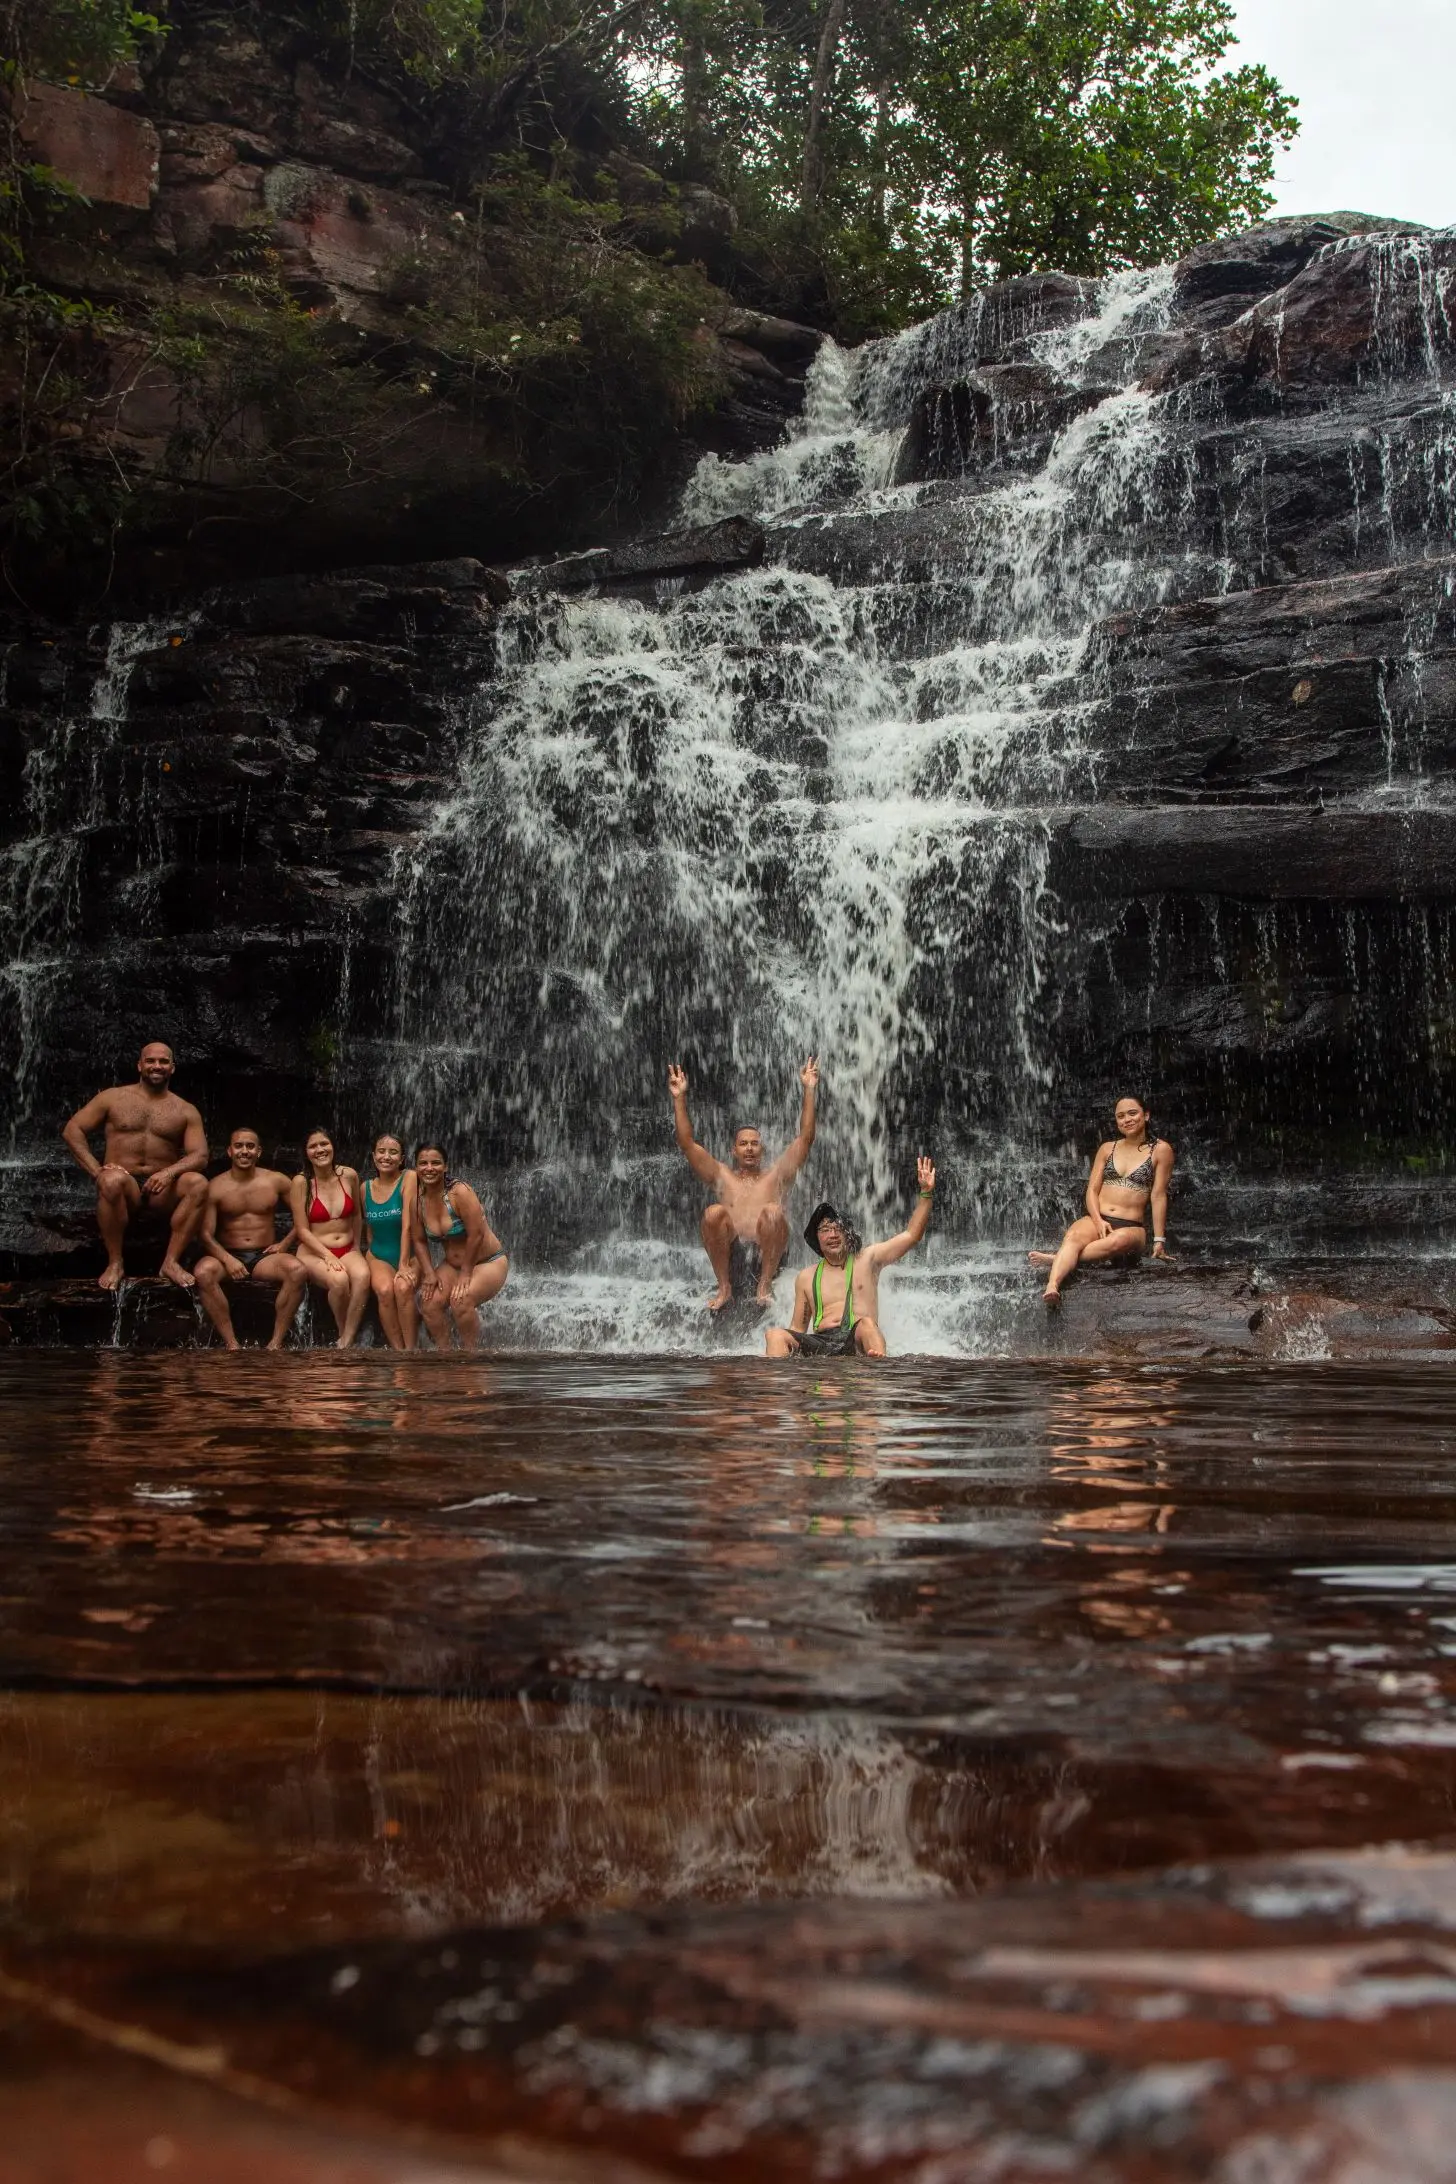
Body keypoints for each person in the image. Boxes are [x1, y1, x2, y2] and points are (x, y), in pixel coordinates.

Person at [668, 1057, 819, 1311]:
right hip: (732, 1254)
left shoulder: (776, 1175)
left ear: (762, 1149)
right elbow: (687, 1143)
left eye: (754, 1143)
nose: (749, 1148)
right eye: (743, 1143)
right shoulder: (721, 1174)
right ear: (734, 1150)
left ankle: (765, 1284)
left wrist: (809, 1089)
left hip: (770, 1252)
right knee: (713, 1212)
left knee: (772, 1212)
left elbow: (805, 1139)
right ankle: (724, 1286)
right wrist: (679, 1098)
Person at [61, 1041, 210, 1291]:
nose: (157, 1066)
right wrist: (97, 1171)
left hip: (161, 1189)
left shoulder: (185, 1110)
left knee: (198, 1183)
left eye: (164, 1061)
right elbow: (72, 1130)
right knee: (111, 1180)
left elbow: (201, 1156)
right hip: (124, 1184)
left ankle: (171, 1262)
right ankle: (115, 1262)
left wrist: (169, 1172)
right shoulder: (112, 1097)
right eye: (151, 1060)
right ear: (139, 1065)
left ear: (172, 1068)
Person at [766, 1157, 936, 1359]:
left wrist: (926, 1193)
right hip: (821, 1343)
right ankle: (777, 1388)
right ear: (816, 1239)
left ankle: (878, 1368)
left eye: (838, 1228)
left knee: (867, 1324)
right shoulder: (806, 1277)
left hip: (856, 1338)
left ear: (848, 1234)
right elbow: (797, 1327)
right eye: (825, 1230)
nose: (832, 1234)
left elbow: (911, 1235)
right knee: (775, 1334)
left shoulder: (868, 1259)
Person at [1029, 1096, 1174, 1307]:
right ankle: (1052, 1286)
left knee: (1117, 1241)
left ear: (1146, 1115)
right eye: (1120, 1116)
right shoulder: (1108, 1148)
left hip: (1131, 1227)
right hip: (1099, 1217)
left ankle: (1060, 1259)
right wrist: (1097, 1220)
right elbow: (1092, 1190)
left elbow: (1158, 1195)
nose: (1127, 1120)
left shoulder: (1161, 1150)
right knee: (1073, 1237)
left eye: (1133, 1113)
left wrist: (1159, 1240)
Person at [193, 1128, 307, 1350]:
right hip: (227, 1255)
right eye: (239, 1146)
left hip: (264, 1255)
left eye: (250, 1146)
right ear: (229, 1151)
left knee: (298, 1271)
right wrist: (228, 1259)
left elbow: (304, 1215)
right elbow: (205, 1234)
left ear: (259, 1151)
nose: (244, 1151)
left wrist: (284, 1244)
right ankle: (231, 1343)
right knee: (203, 1272)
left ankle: (275, 1342)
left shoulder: (277, 1181)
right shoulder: (214, 1186)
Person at [411, 1144, 508, 1351]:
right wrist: (429, 1272)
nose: (429, 1168)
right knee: (428, 1303)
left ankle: (469, 1354)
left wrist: (465, 1273)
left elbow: (476, 1234)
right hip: (452, 1266)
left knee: (460, 1300)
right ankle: (446, 1353)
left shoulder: (459, 1192)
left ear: (445, 1167)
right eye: (423, 1163)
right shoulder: (417, 1200)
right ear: (416, 1168)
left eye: (436, 1163)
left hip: (487, 1262)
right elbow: (418, 1239)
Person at [289, 1129, 370, 1347]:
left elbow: (356, 1215)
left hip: (347, 1248)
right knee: (339, 1279)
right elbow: (302, 1229)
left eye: (324, 1144)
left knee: (362, 1277)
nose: (320, 1150)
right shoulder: (301, 1182)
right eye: (313, 1146)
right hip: (314, 1251)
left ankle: (347, 1338)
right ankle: (343, 1334)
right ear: (306, 1153)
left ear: (333, 1146)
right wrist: (327, 1256)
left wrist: (355, 1246)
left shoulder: (349, 1175)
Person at [362, 1133, 419, 1352]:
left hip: (410, 1254)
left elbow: (408, 1225)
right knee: (385, 1290)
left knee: (403, 1287)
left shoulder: (409, 1178)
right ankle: (398, 1351)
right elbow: (369, 1229)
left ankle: (411, 1351)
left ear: (402, 1158)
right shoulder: (364, 1188)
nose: (387, 1157)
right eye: (381, 1151)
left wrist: (404, 1264)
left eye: (393, 1152)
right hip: (379, 1255)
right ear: (373, 1156)